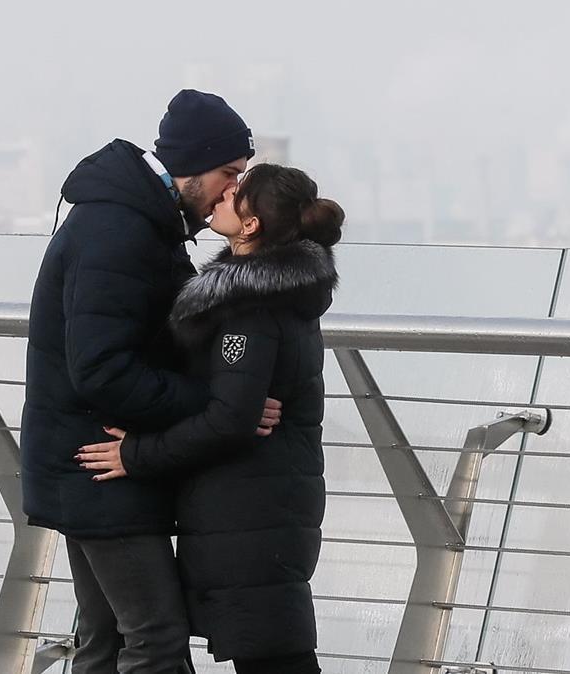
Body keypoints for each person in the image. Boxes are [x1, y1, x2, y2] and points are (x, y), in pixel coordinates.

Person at [20, 89, 282, 673]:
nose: (232, 190)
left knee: (108, 639)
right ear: (190, 165)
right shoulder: (121, 230)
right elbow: (102, 369)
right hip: (101, 463)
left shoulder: (135, 220)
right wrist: (217, 403)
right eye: (228, 173)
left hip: (91, 461)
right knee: (156, 637)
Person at [78, 163, 343, 674]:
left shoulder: (252, 306)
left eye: (236, 193)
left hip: (253, 514)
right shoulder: (273, 294)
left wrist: (137, 454)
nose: (222, 195)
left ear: (250, 226)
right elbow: (232, 402)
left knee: (273, 657)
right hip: (258, 508)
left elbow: (230, 420)